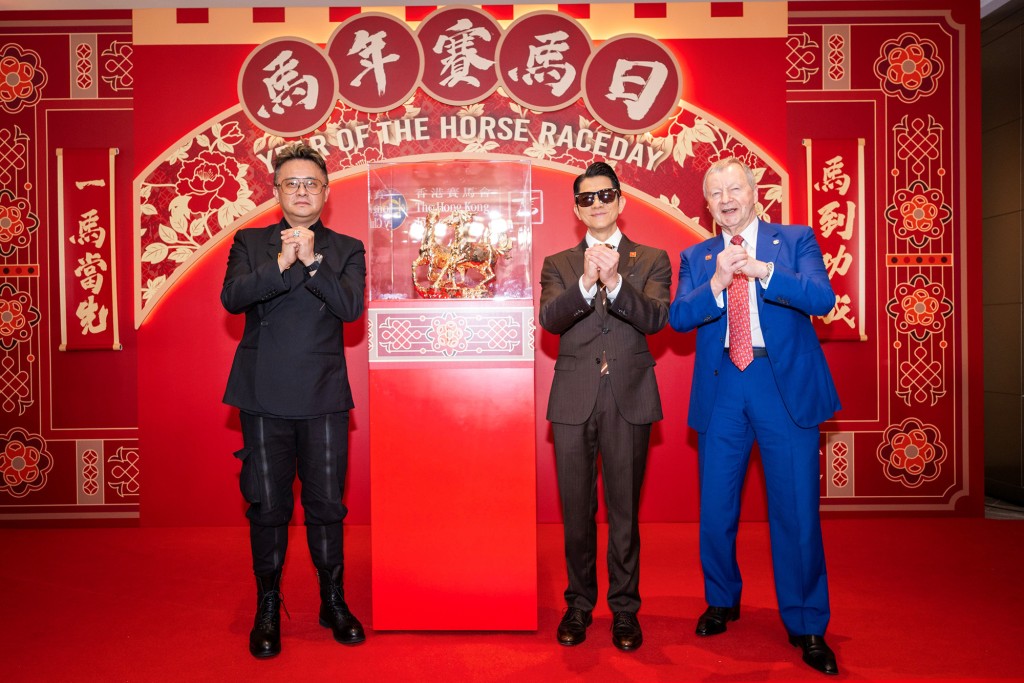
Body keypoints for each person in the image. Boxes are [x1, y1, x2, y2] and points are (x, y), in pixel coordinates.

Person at [669, 157, 841, 675]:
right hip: (723, 385)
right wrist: (718, 282)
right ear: (707, 203)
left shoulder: (794, 240)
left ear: (753, 191)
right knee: (717, 507)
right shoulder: (697, 256)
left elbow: (822, 298)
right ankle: (722, 600)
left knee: (796, 510)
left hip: (781, 383)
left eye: (734, 188)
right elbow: (678, 317)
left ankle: (808, 623)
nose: (725, 198)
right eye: (715, 192)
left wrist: (764, 271)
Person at [221, 141, 367, 658]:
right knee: (268, 505)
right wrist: (282, 262)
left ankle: (333, 598)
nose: (302, 191)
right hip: (262, 395)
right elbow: (232, 298)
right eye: (292, 183)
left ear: (326, 193)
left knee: (327, 505)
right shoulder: (250, 242)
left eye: (311, 184)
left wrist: (313, 263)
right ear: (277, 191)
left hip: (323, 395)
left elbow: (351, 308)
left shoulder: (347, 248)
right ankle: (268, 602)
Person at [539, 161, 671, 651]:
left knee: (623, 513)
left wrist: (615, 284)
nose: (596, 204)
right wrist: (586, 283)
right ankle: (578, 604)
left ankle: (624, 609)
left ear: (620, 201)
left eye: (605, 195)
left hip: (628, 397)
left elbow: (657, 318)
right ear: (577, 208)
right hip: (573, 398)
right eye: (586, 198)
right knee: (576, 511)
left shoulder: (651, 258)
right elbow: (551, 320)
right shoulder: (559, 263)